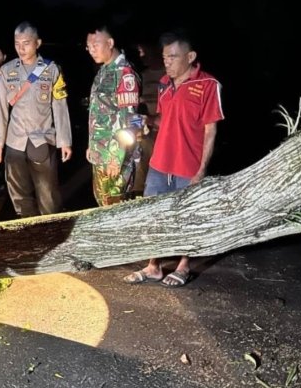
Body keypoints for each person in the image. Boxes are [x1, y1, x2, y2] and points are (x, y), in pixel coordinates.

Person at [124, 30, 224, 287]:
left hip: (187, 166)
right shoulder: (164, 85)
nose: (166, 61)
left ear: (190, 57)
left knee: (185, 218)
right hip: (159, 163)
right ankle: (154, 265)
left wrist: (201, 170)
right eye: (164, 56)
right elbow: (162, 119)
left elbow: (210, 130)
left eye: (172, 56)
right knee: (153, 215)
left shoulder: (208, 85)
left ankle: (183, 265)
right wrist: (148, 120)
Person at [0, 21, 73, 217]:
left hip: (42, 138)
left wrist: (64, 142)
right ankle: (29, 230)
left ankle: (51, 228)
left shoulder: (51, 70)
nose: (21, 48)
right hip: (15, 140)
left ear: (38, 43)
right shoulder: (6, 70)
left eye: (26, 43)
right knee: (18, 192)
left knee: (48, 192)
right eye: (17, 43)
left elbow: (60, 106)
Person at [85, 24, 144, 206]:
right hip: (100, 153)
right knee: (104, 204)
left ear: (110, 42)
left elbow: (131, 120)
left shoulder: (124, 73)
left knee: (115, 208)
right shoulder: (104, 70)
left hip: (116, 158)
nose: (91, 50)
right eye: (88, 46)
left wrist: (115, 157)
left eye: (95, 45)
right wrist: (93, 146)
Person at [131, 40, 165, 196]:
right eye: (139, 52)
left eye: (145, 51)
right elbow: (133, 109)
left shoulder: (169, 75)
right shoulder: (140, 77)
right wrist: (136, 126)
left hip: (165, 131)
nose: (142, 56)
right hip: (146, 132)